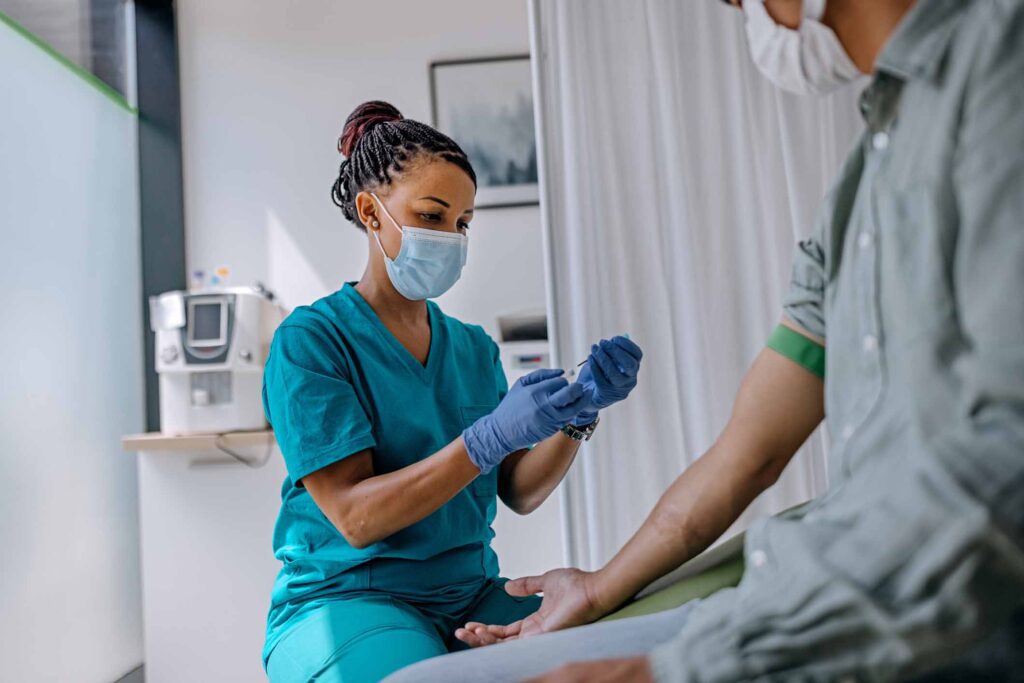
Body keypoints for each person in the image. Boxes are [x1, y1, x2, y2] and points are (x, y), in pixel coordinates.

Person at [382, 0, 1024, 681]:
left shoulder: (997, 70)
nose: (745, 15)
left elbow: (1001, 468)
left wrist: (682, 668)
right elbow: (748, 452)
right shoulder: (860, 187)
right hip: (815, 579)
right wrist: (596, 587)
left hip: (919, 615)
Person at [260, 100, 645, 683]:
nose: (451, 236)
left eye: (463, 223)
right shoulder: (312, 342)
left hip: (468, 596)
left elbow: (518, 490)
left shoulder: (470, 348)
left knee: (615, 652)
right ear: (371, 212)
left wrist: (579, 415)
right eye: (433, 216)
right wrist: (486, 438)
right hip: (346, 599)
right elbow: (356, 518)